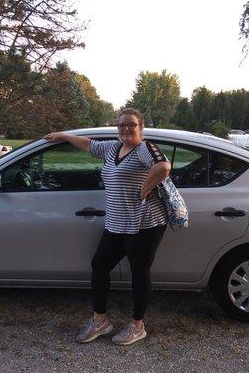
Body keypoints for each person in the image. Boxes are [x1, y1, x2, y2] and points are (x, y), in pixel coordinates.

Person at [43, 108, 171, 345]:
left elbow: (163, 167)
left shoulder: (144, 148)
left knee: (139, 273)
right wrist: (63, 136)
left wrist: (144, 189)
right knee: (99, 266)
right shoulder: (112, 148)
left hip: (144, 223)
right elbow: (88, 144)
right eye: (121, 125)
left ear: (140, 127)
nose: (125, 129)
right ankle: (100, 321)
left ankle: (137, 326)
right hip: (117, 222)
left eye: (131, 124)